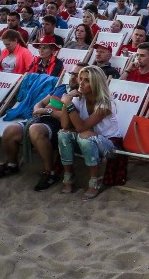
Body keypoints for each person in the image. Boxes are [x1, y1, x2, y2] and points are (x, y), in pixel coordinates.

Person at [0, 63, 85, 191]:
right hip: (38, 119)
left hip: (58, 126)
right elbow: (41, 102)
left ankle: (49, 171)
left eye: (77, 75)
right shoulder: (61, 88)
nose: (73, 77)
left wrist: (47, 112)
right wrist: (37, 109)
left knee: (35, 130)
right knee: (10, 130)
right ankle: (12, 164)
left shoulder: (81, 95)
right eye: (72, 74)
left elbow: (69, 119)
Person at [59, 65, 121, 200]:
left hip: (109, 144)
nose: (80, 83)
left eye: (86, 80)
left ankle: (95, 179)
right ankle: (68, 176)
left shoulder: (106, 104)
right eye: (80, 78)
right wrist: (67, 101)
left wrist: (68, 105)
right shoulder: (78, 98)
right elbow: (65, 125)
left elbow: (81, 128)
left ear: (96, 83)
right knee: (63, 134)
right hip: (86, 138)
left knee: (85, 137)